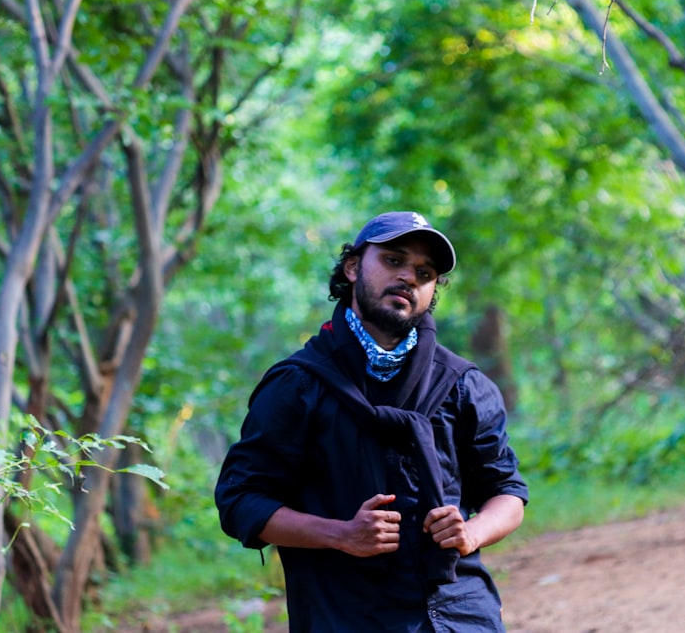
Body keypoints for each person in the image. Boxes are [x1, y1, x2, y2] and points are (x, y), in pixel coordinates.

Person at [215, 211, 529, 632]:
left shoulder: (462, 384)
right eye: (394, 261)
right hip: (344, 615)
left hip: (459, 614)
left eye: (424, 271)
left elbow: (506, 491)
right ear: (352, 267)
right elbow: (240, 500)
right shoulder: (299, 385)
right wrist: (341, 534)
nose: (409, 277)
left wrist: (471, 533)